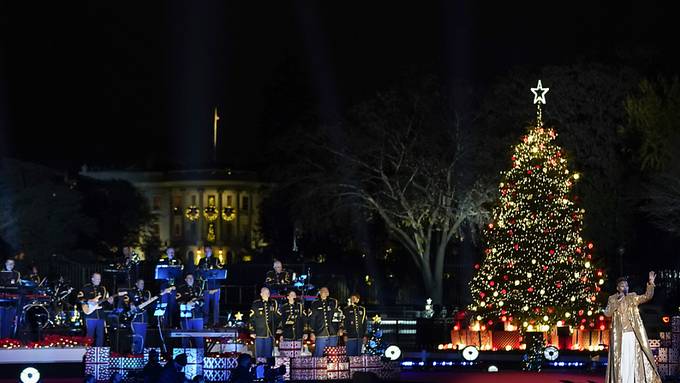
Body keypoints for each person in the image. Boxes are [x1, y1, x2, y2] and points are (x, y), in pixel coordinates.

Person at [604, 271, 661, 383]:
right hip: (619, 336)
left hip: (633, 334)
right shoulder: (612, 298)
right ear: (617, 288)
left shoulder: (633, 297)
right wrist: (617, 301)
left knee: (632, 360)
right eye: (622, 286)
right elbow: (607, 313)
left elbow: (647, 296)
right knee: (621, 361)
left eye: (626, 285)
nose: (625, 287)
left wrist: (651, 283)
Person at [77, 272, 115, 347]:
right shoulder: (86, 288)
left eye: (99, 279)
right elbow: (79, 298)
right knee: (89, 336)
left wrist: (110, 302)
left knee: (100, 336)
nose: (98, 280)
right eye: (97, 278)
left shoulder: (103, 289)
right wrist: (88, 301)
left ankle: (99, 354)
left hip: (100, 316)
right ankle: (88, 353)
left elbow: (105, 303)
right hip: (90, 315)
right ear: (92, 279)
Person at [309, 287, 342, 356]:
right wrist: (312, 332)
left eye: (327, 291)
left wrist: (340, 328)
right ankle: (318, 367)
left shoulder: (333, 302)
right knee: (318, 354)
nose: (325, 292)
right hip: (320, 333)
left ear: (328, 293)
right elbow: (312, 319)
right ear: (320, 293)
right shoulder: (315, 303)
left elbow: (338, 316)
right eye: (323, 291)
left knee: (332, 355)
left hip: (333, 333)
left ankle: (331, 367)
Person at [249, 286, 280, 358]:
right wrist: (252, 331)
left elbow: (278, 316)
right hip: (259, 333)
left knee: (268, 355)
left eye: (268, 292)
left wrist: (278, 327)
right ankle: (259, 368)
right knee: (259, 355)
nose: (267, 294)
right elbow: (251, 319)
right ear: (261, 294)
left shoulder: (273, 303)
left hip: (270, 332)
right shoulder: (256, 304)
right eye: (265, 292)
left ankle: (268, 368)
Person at [176, 273, 204, 348]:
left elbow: (202, 301)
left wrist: (196, 302)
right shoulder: (181, 289)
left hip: (198, 316)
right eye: (188, 278)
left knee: (199, 339)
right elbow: (178, 301)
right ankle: (185, 357)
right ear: (185, 280)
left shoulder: (198, 288)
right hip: (186, 317)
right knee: (185, 338)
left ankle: (200, 357)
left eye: (191, 278)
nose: (190, 279)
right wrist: (187, 304)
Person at [197, 246, 222, 327]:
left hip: (215, 286)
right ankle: (205, 323)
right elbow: (199, 272)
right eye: (206, 251)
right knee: (206, 306)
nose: (207, 252)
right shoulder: (202, 260)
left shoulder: (216, 259)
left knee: (216, 305)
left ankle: (216, 323)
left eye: (208, 250)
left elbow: (220, 269)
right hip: (206, 287)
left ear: (211, 251)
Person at [158, 247, 182, 328]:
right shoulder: (162, 262)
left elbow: (180, 275)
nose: (171, 253)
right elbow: (158, 275)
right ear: (167, 253)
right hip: (164, 286)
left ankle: (174, 324)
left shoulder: (177, 262)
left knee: (173, 305)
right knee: (164, 305)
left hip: (173, 287)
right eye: (170, 252)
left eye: (173, 252)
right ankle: (164, 324)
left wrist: (176, 286)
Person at [127, 278, 152, 354]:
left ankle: (141, 354)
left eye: (143, 284)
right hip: (136, 318)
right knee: (137, 337)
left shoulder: (146, 293)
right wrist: (131, 304)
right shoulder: (131, 292)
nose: (142, 285)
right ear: (137, 284)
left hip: (144, 318)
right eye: (141, 283)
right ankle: (135, 354)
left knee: (143, 338)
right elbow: (127, 300)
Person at [0, 258, 21, 338]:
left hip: (12, 301)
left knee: (9, 321)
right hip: (1, 300)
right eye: (9, 263)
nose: (10, 265)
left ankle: (8, 338)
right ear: (5, 264)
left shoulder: (16, 274)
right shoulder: (1, 273)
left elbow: (17, 286)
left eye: (12, 263)